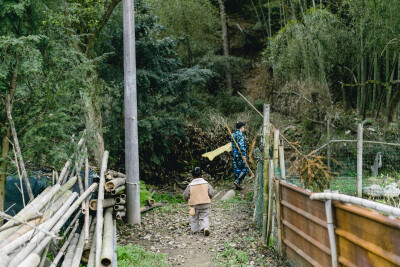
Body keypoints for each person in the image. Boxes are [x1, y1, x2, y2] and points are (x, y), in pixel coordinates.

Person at [183, 167, 214, 236]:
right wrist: (210, 197)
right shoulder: (206, 184)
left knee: (194, 217)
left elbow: (185, 195)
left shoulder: (190, 186)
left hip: (194, 205)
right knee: (205, 216)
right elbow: (211, 193)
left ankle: (194, 230)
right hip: (205, 204)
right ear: (202, 175)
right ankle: (205, 227)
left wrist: (187, 198)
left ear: (192, 176)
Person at [231, 122, 249, 190]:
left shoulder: (233, 134)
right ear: (241, 127)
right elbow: (241, 146)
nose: (244, 128)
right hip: (240, 155)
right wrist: (243, 154)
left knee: (237, 169)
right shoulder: (240, 135)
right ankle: (237, 180)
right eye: (244, 127)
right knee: (245, 168)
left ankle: (237, 186)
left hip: (235, 154)